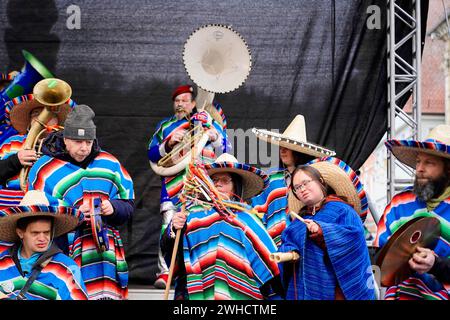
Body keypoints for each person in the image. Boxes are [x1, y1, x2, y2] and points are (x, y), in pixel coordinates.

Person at [27, 104, 134, 300]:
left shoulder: (109, 163)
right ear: (66, 138)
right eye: (77, 141)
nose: (84, 147)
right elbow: (34, 215)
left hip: (106, 260)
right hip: (63, 255)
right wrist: (72, 214)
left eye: (88, 141)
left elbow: (128, 206)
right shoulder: (44, 169)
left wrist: (114, 207)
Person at [161, 153, 282, 300]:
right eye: (214, 180)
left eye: (225, 180)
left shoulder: (248, 219)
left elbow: (270, 264)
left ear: (236, 186)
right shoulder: (193, 216)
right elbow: (174, 253)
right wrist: (173, 229)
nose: (218, 184)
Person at [148, 84, 226, 289]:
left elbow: (225, 149)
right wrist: (169, 142)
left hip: (203, 186)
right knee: (169, 225)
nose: (180, 104)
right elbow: (152, 154)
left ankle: (202, 266)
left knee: (202, 224)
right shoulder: (166, 125)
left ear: (194, 103)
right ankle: (166, 271)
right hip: (174, 185)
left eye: (184, 100)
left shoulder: (208, 122)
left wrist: (213, 135)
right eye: (177, 100)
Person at [278, 157, 374, 300]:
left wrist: (323, 231)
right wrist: (289, 252)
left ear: (321, 182)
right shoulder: (297, 223)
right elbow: (286, 243)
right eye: (297, 188)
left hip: (338, 292)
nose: (302, 189)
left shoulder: (343, 210)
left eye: (305, 183)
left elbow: (354, 240)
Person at [375, 124, 450, 300]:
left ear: (448, 168)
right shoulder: (399, 204)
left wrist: (436, 264)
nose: (419, 169)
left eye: (429, 162)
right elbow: (379, 258)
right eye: (418, 161)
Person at [251, 115, 336, 246]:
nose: (282, 150)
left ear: (299, 152)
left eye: (288, 147)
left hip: (305, 242)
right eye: (281, 146)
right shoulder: (271, 179)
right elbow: (257, 210)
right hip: (271, 245)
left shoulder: (313, 180)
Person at [0, 190, 88, 300]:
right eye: (35, 233)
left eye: (46, 232)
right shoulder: (2, 263)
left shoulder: (67, 268)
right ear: (20, 233)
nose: (42, 239)